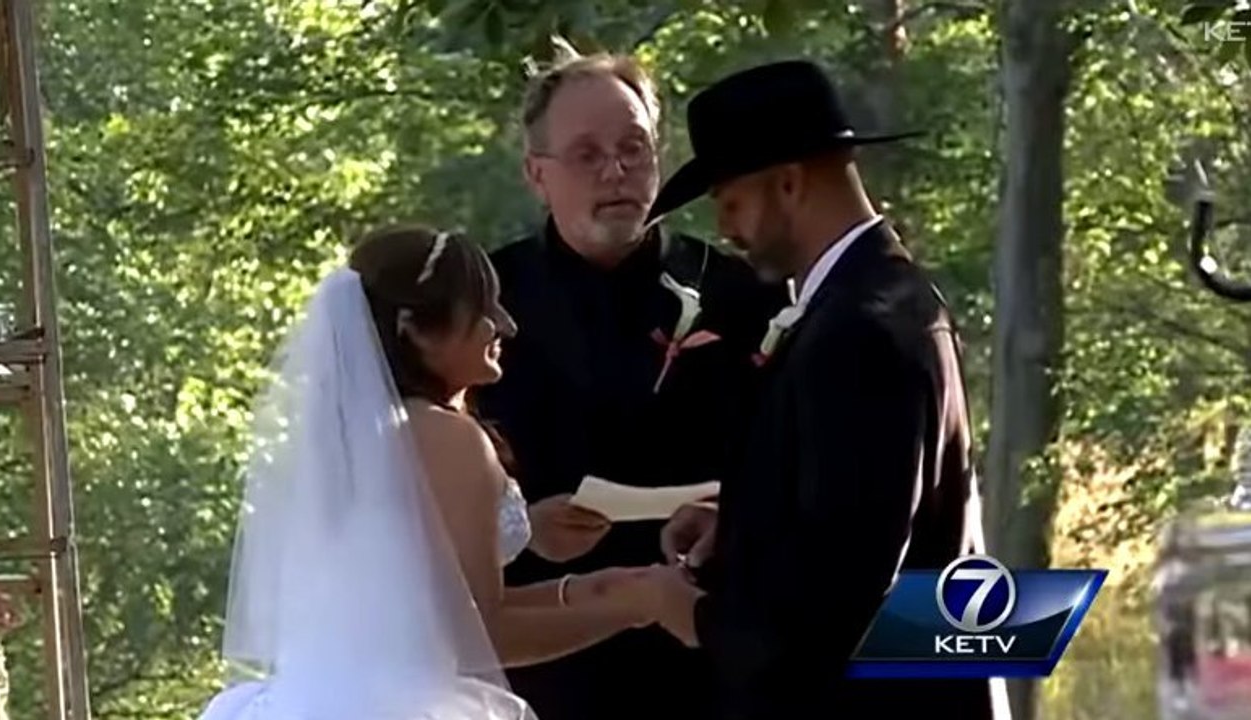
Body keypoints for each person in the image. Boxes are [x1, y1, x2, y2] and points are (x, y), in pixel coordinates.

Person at [643, 59, 1006, 718]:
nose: (724, 229)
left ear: (787, 183)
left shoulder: (861, 331)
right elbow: (865, 508)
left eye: (730, 201)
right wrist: (746, 523)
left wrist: (692, 614)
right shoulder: (881, 298)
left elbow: (838, 598)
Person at [197, 227, 664, 720]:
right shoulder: (451, 439)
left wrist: (587, 588)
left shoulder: (350, 440)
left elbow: (429, 608)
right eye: (483, 310)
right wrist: (639, 607)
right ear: (415, 330)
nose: (505, 326)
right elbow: (479, 635)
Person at [472, 46, 786, 719]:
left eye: (633, 148)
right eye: (585, 154)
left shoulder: (745, 295)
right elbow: (420, 490)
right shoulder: (481, 306)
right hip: (540, 662)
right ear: (536, 173)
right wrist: (521, 528)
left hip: (710, 654)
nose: (615, 170)